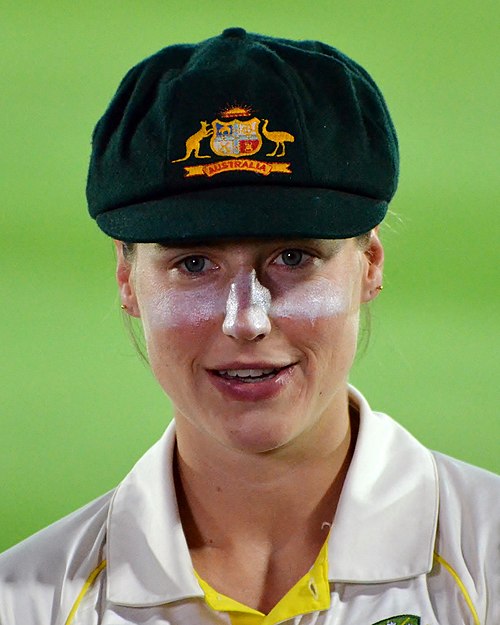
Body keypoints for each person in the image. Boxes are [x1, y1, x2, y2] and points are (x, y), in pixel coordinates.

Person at [0, 28, 498, 625]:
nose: (247, 320)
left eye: (293, 257)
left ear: (369, 266)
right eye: (194, 263)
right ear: (128, 282)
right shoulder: (25, 600)